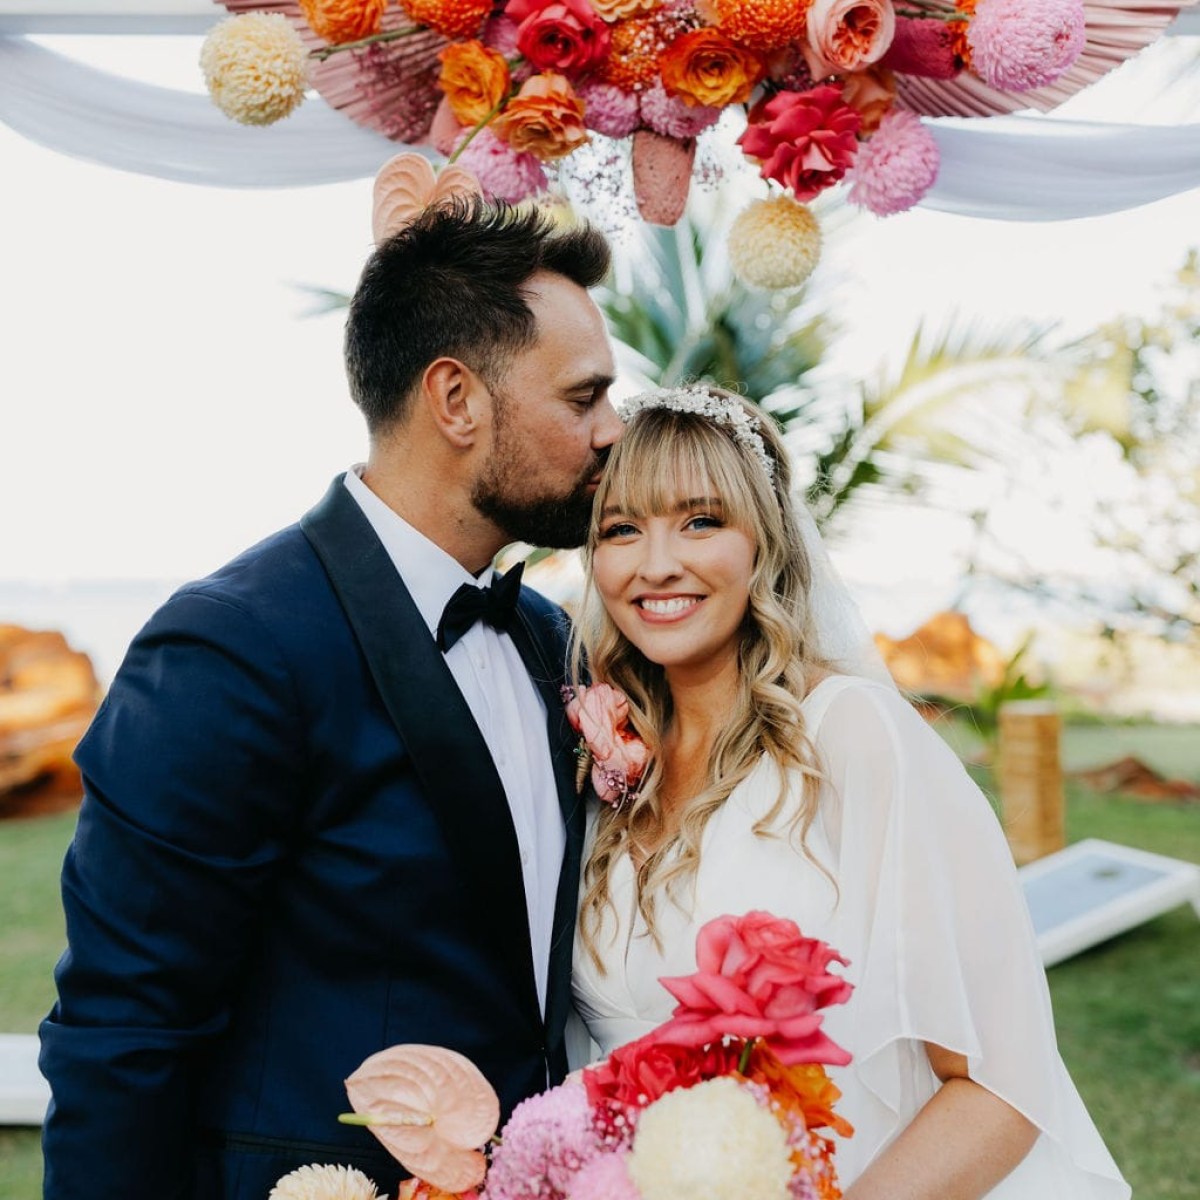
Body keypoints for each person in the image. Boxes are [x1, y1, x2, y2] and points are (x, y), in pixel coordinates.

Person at [39, 198, 622, 1199]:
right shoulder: (232, 647)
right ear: (456, 400)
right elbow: (124, 1030)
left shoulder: (548, 640)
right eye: (584, 396)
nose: (613, 430)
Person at [569, 385, 1130, 1199]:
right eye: (622, 529)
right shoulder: (606, 762)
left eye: (701, 521)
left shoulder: (852, 736)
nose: (656, 563)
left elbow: (1001, 1085)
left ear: (765, 541)